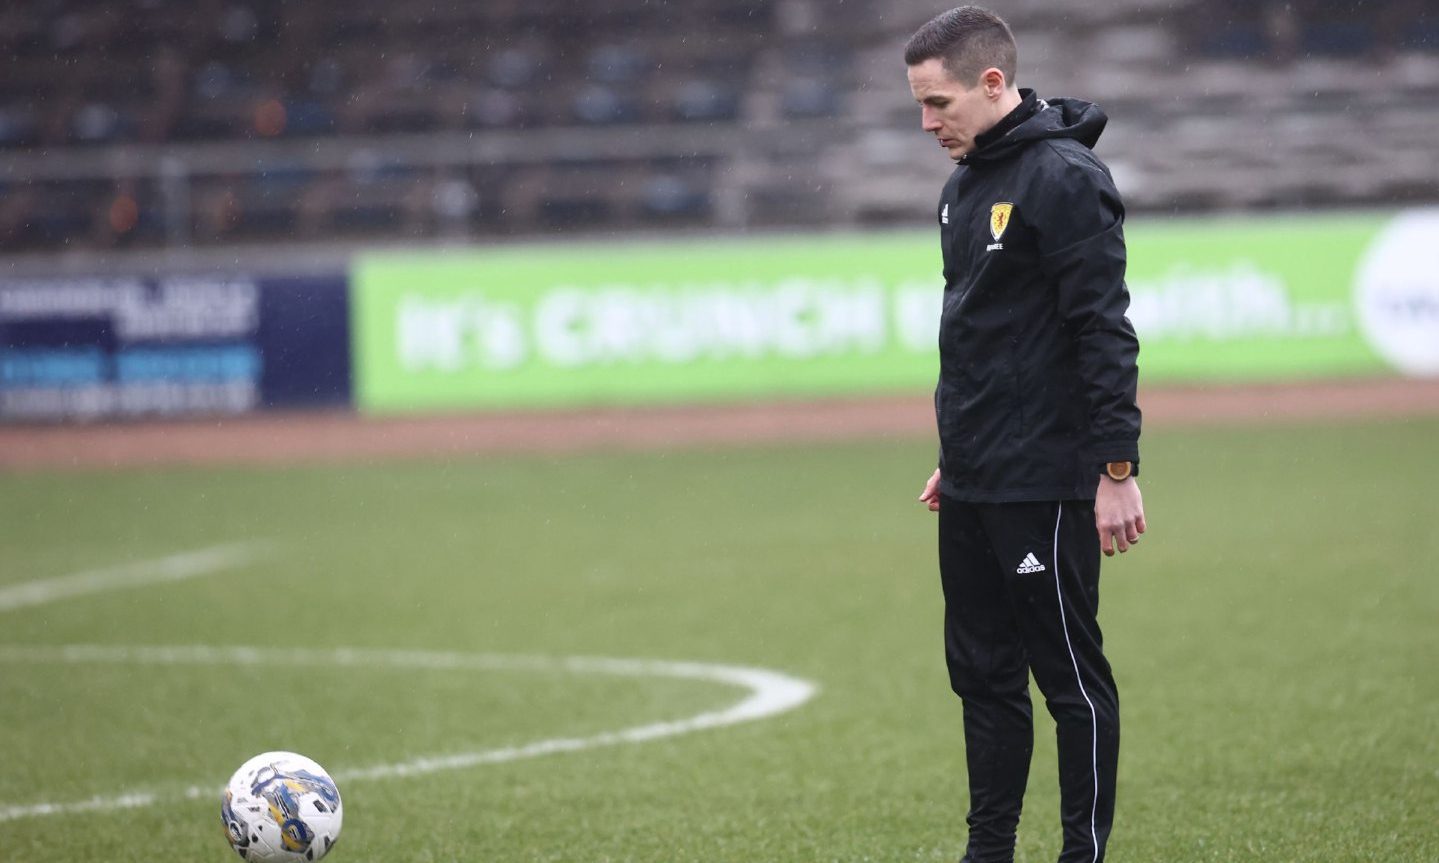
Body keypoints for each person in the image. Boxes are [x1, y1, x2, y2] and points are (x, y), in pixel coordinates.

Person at [904, 7, 1147, 863]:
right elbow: (982, 338)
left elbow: (1101, 328)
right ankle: (989, 851)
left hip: (1044, 475)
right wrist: (955, 451)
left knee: (1069, 680)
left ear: (992, 83)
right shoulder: (961, 186)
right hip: (975, 476)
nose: (927, 124)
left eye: (938, 103)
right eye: (920, 107)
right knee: (980, 676)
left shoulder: (1064, 177)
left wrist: (1115, 465)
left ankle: (1081, 852)